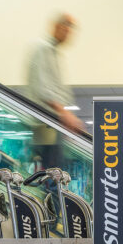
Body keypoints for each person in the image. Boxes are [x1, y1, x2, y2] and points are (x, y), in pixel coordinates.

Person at [24, 14, 83, 170]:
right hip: (45, 124)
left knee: (54, 174)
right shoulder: (42, 48)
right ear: (58, 26)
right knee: (51, 175)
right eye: (68, 27)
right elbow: (42, 88)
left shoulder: (54, 52)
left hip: (52, 125)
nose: (69, 33)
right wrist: (64, 113)